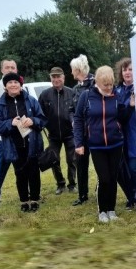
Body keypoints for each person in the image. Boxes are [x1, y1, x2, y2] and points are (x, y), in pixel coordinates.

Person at [73, 65, 132, 223]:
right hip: (96, 145)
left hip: (116, 144)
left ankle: (111, 210)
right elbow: (78, 120)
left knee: (113, 178)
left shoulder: (116, 96)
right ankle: (102, 211)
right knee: (104, 178)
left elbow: (122, 117)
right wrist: (79, 143)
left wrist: (130, 106)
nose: (108, 88)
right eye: (105, 84)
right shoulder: (86, 96)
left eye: (111, 84)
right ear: (97, 82)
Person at [0, 73, 46, 212]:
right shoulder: (0, 105)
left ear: (20, 84)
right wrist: (10, 123)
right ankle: (24, 201)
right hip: (14, 145)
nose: (13, 85)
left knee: (34, 172)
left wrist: (33, 121)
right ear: (5, 86)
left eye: (16, 82)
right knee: (20, 173)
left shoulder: (31, 100)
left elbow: (42, 119)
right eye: (9, 82)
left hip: (32, 143)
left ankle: (34, 199)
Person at [115, 58, 136, 210]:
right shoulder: (117, 91)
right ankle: (132, 196)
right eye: (124, 70)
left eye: (130, 69)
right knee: (124, 169)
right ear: (120, 73)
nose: (127, 72)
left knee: (135, 167)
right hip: (120, 135)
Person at [38, 67, 76, 195]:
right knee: (54, 160)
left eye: (58, 76)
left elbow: (76, 112)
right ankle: (60, 184)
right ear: (51, 79)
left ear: (63, 78)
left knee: (72, 160)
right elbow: (40, 113)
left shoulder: (72, 93)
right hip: (53, 134)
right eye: (53, 77)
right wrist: (43, 125)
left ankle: (72, 184)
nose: (56, 79)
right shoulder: (45, 95)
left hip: (70, 133)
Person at [0, 59, 18, 208]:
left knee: (22, 168)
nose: (10, 69)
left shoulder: (20, 87)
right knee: (1, 169)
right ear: (2, 70)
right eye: (7, 67)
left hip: (21, 136)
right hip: (3, 137)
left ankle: (27, 195)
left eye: (12, 67)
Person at [70, 54, 95, 206]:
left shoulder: (94, 84)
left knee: (100, 164)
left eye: (72, 69)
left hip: (95, 131)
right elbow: (71, 109)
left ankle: (101, 190)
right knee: (81, 164)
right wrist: (73, 120)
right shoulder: (75, 89)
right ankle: (82, 194)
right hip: (80, 134)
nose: (71, 72)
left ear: (78, 69)